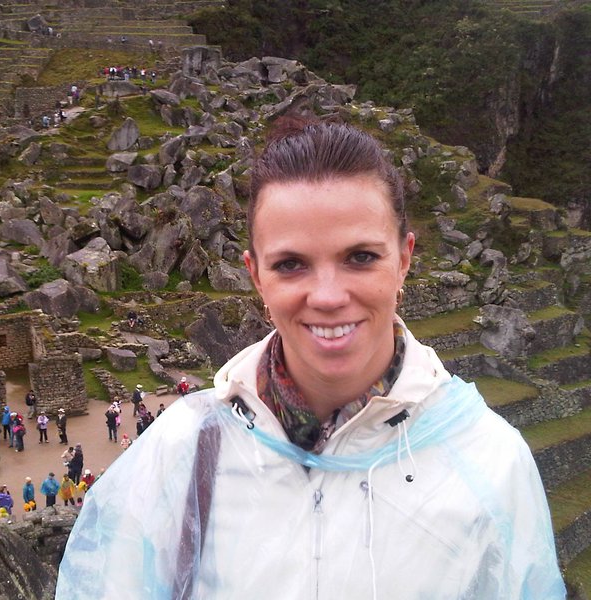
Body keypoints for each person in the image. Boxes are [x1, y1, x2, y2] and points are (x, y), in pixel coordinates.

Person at [55, 119, 566, 599]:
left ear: (405, 258)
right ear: (256, 276)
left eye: (360, 257)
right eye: (291, 264)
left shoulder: (490, 462)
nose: (326, 296)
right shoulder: (184, 452)